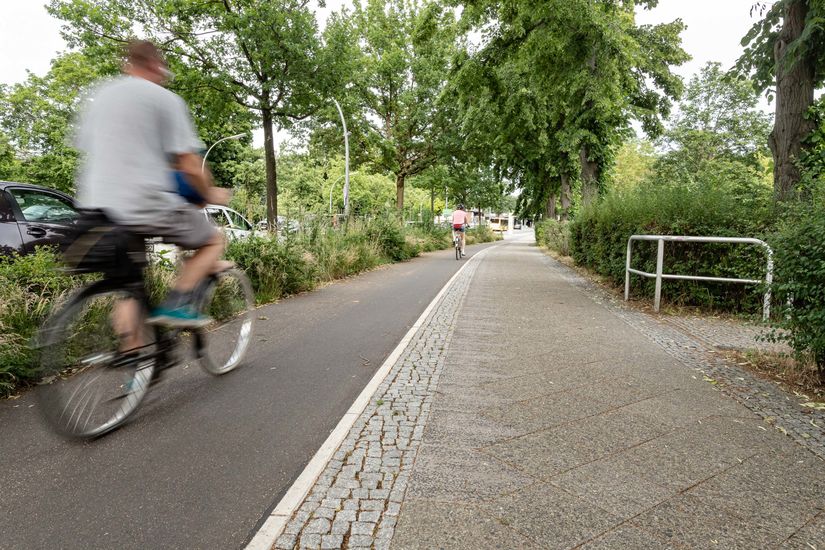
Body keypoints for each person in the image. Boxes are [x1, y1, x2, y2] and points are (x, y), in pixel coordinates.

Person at [73, 40, 230, 331]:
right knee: (213, 240)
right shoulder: (164, 99)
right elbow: (189, 164)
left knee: (129, 288)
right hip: (145, 205)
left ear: (128, 64)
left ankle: (135, 362)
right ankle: (178, 304)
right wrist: (209, 194)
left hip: (97, 209)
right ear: (156, 66)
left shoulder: (100, 97)